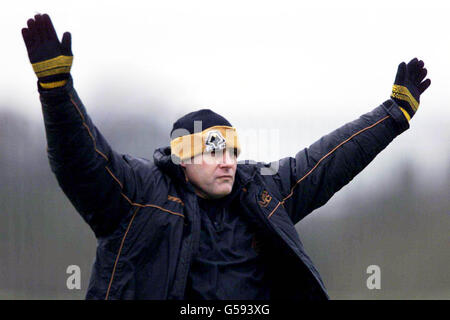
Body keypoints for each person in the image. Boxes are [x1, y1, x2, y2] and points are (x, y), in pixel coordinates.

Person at [21, 14, 430, 300]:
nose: (227, 161)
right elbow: (82, 163)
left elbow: (332, 158)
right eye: (213, 152)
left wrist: (393, 115)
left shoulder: (265, 190)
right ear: (183, 159)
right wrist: (56, 90)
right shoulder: (140, 196)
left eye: (232, 151)